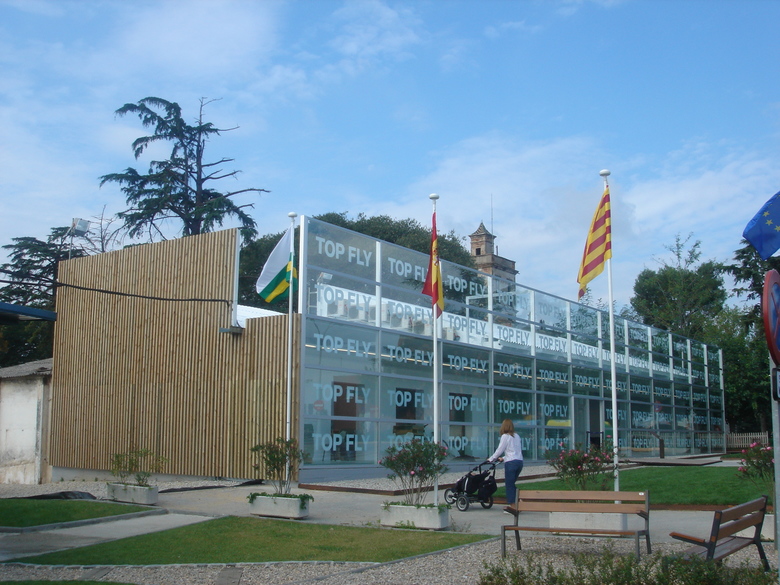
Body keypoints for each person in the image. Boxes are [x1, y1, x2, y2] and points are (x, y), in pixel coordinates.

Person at [488, 418, 523, 513]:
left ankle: (513, 506)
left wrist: (491, 459)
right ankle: (519, 500)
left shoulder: (505, 436)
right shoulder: (517, 436)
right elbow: (515, 451)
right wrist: (503, 458)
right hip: (519, 462)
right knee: (512, 483)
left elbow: (500, 449)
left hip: (511, 463)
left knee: (509, 485)